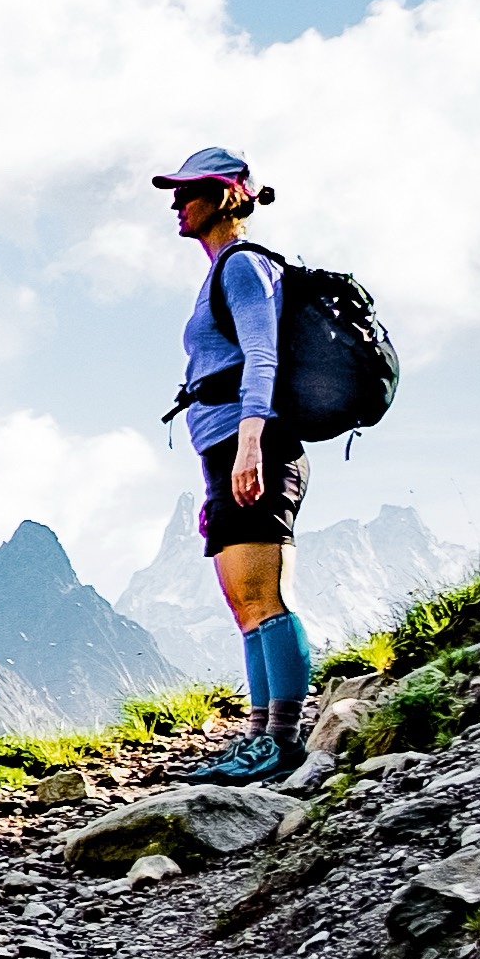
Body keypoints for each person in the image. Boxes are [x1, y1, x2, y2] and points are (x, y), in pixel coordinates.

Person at [156, 144, 313, 784]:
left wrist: (250, 444)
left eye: (187, 192)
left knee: (265, 598)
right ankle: (257, 738)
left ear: (223, 197)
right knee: (245, 603)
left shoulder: (244, 268)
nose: (175, 203)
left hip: (255, 445)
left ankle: (283, 739)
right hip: (226, 452)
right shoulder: (223, 270)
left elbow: (262, 357)